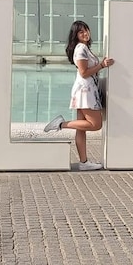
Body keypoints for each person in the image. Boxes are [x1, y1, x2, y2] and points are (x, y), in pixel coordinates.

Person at [44, 21, 113, 170]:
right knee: (96, 124)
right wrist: (102, 65)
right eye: (81, 32)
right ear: (75, 35)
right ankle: (61, 124)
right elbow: (84, 73)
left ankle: (84, 162)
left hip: (84, 90)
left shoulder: (84, 48)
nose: (85, 33)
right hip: (85, 92)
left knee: (81, 129)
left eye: (86, 30)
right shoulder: (81, 48)